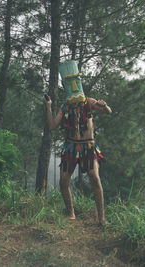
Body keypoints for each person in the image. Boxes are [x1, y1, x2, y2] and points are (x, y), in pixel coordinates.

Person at [43, 60, 112, 226]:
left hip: (88, 146)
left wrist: (105, 105)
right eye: (69, 83)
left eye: (75, 82)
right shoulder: (65, 107)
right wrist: (48, 106)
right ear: (66, 86)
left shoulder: (88, 102)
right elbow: (52, 126)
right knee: (63, 181)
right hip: (71, 147)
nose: (73, 86)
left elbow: (108, 112)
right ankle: (71, 214)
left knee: (94, 177)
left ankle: (101, 218)